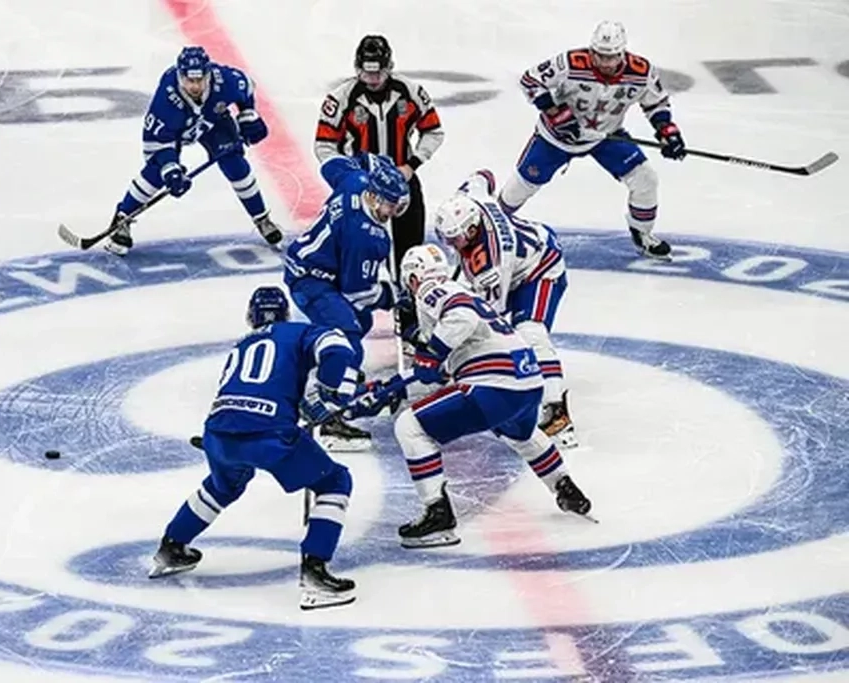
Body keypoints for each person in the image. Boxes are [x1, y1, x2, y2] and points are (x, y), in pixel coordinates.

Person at [149, 286, 361, 611]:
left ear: (251, 317)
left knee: (222, 486)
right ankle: (315, 573)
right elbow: (338, 347)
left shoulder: (242, 344)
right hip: (269, 433)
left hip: (218, 432)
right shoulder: (298, 332)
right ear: (286, 314)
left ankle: (171, 547)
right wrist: (330, 391)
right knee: (334, 481)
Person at [390, 244, 591, 549]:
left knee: (410, 426)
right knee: (520, 434)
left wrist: (431, 352)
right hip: (527, 382)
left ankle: (437, 514)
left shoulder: (430, 289)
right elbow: (449, 366)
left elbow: (462, 318)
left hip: (495, 383)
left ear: (414, 277)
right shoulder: (463, 289)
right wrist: (410, 379)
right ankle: (564, 485)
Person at [499, 20, 686, 259]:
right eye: (600, 56)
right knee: (518, 189)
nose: (605, 63)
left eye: (612, 57)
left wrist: (667, 131)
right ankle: (491, 227)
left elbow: (656, 102)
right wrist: (556, 114)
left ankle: (643, 234)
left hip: (604, 137)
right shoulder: (569, 63)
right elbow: (530, 81)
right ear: (591, 50)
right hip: (555, 139)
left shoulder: (642, 71)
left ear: (623, 53)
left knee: (645, 179)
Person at [433, 169, 577, 447]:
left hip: (541, 267)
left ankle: (556, 410)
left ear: (472, 230)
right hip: (525, 252)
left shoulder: (493, 264)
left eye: (454, 239)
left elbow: (489, 317)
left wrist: (449, 347)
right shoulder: (472, 199)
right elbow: (483, 176)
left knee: (530, 332)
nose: (450, 245)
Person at [314, 34, 444, 332]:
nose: (372, 79)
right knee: (357, 252)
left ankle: (413, 320)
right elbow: (324, 145)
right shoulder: (340, 99)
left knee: (412, 255)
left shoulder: (410, 92)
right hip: (362, 191)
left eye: (378, 72)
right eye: (366, 72)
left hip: (403, 185)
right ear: (357, 68)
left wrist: (411, 165)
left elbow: (434, 131)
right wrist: (348, 177)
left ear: (389, 67)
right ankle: (348, 317)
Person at [283, 152, 410, 451]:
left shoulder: (355, 181)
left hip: (312, 267)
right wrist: (393, 296)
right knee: (348, 339)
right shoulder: (367, 237)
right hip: (311, 281)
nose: (393, 212)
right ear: (375, 197)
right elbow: (358, 293)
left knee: (362, 320)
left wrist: (370, 161)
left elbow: (331, 165)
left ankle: (328, 367)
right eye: (390, 204)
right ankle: (327, 413)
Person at [105, 46, 282, 256]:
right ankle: (122, 218)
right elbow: (158, 147)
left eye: (200, 80)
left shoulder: (226, 81)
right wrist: (170, 169)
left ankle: (261, 218)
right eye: (190, 80)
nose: (195, 86)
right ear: (180, 77)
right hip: (174, 132)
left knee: (235, 164)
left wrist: (248, 115)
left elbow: (247, 87)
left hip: (212, 121)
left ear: (209, 75)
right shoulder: (166, 101)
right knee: (156, 172)